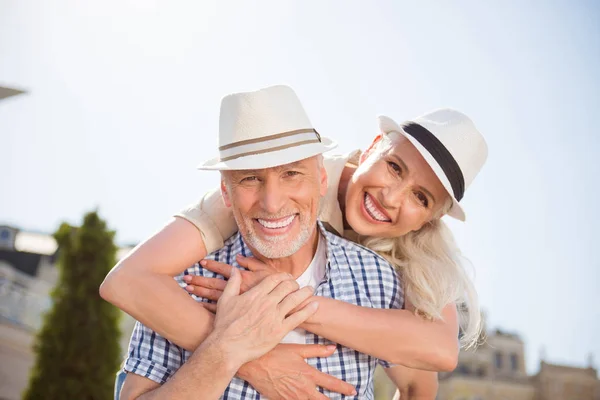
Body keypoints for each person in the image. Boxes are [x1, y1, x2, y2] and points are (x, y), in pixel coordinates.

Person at [100, 85, 488, 398]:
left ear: (431, 218)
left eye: (421, 197)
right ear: (372, 147)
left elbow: (436, 357)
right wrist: (255, 358)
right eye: (393, 166)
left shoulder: (412, 260)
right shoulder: (281, 183)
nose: (391, 197)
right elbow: (129, 281)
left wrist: (286, 303)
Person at [118, 267, 320, 400]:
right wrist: (226, 348)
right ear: (226, 198)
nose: (272, 205)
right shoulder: (178, 281)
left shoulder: (352, 266)